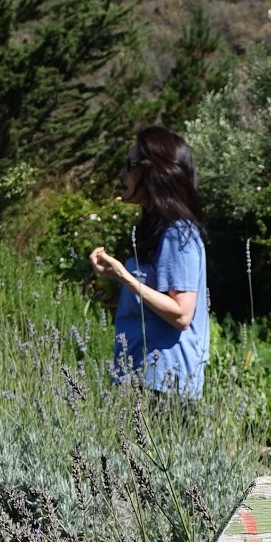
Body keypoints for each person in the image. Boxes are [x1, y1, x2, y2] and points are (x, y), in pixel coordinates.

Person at [89, 126, 210, 400]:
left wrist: (124, 276)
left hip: (164, 386)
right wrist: (117, 295)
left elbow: (181, 314)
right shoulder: (158, 229)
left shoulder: (179, 233)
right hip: (138, 376)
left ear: (155, 172)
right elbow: (157, 301)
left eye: (130, 165)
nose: (123, 174)